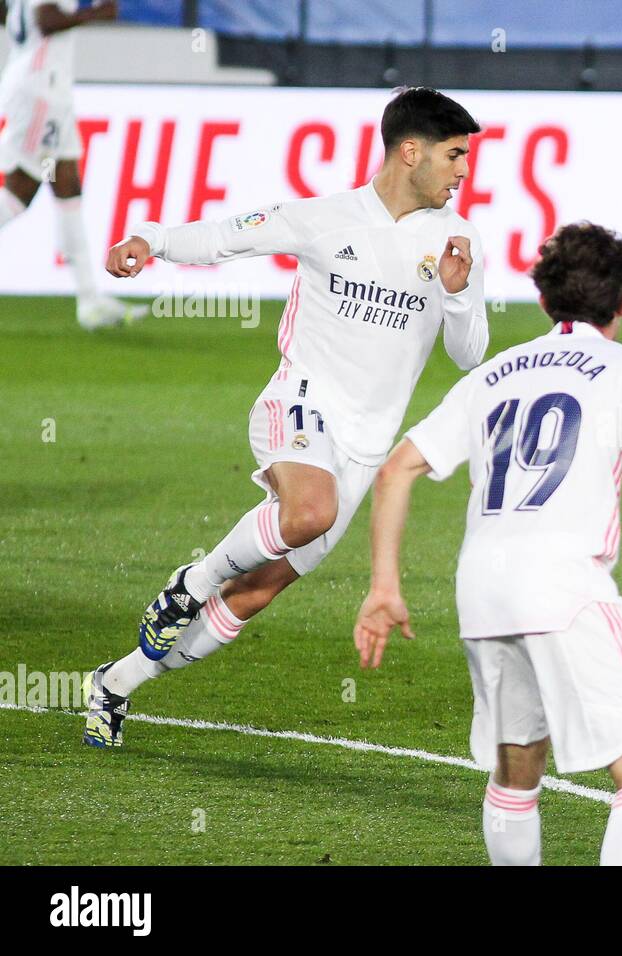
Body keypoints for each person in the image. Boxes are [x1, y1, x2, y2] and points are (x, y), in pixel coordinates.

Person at [82, 88, 489, 748]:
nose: (464, 171)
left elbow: (470, 354)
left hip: (364, 444)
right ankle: (188, 584)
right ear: (410, 152)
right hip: (299, 401)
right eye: (455, 155)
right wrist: (149, 240)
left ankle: (115, 683)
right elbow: (225, 237)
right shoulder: (325, 218)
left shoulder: (460, 241)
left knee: (255, 592)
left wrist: (458, 294)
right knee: (307, 514)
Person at [353, 222, 622, 865]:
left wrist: (384, 585)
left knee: (517, 769)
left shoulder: (493, 373)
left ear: (544, 301)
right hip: (565, 588)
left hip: (481, 589)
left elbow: (396, 470)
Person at [0, 0, 133, 328]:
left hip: (45, 85)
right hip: (40, 90)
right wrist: (97, 14)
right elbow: (47, 19)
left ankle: (89, 301)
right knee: (18, 195)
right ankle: (90, 301)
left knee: (68, 188)